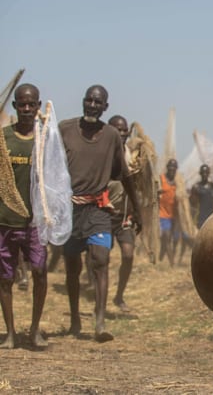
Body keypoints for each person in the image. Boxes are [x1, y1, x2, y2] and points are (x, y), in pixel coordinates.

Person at [59, 85, 142, 342]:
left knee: (101, 260)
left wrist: (138, 210)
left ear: (105, 107)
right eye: (89, 101)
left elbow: (123, 174)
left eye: (98, 102)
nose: (92, 105)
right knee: (72, 267)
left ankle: (99, 323)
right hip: (70, 210)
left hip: (98, 210)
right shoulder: (65, 130)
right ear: (83, 102)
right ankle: (75, 320)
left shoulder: (111, 136)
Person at [0, 83, 48, 349]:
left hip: (35, 223)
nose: (27, 109)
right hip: (4, 220)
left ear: (38, 106)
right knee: (5, 278)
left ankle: (34, 329)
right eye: (22, 104)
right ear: (15, 107)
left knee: (40, 272)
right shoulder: (3, 138)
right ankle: (9, 333)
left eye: (32, 104)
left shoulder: (45, 140)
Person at [106, 115, 139, 313]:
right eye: (117, 130)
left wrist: (137, 212)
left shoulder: (132, 157)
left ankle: (119, 295)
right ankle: (97, 290)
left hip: (124, 216)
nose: (121, 133)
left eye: (124, 130)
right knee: (100, 257)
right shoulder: (102, 154)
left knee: (128, 255)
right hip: (102, 213)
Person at [190, 164, 213, 228]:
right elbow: (193, 206)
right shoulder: (196, 188)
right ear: (200, 173)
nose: (204, 174)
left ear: (208, 173)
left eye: (206, 173)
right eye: (203, 173)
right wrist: (191, 220)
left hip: (211, 218)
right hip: (200, 219)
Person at [158, 159, 178, 267]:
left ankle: (161, 257)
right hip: (161, 214)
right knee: (165, 236)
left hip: (172, 216)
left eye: (174, 168)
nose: (172, 169)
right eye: (170, 167)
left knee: (169, 239)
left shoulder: (177, 183)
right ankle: (172, 264)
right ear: (167, 167)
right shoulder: (161, 179)